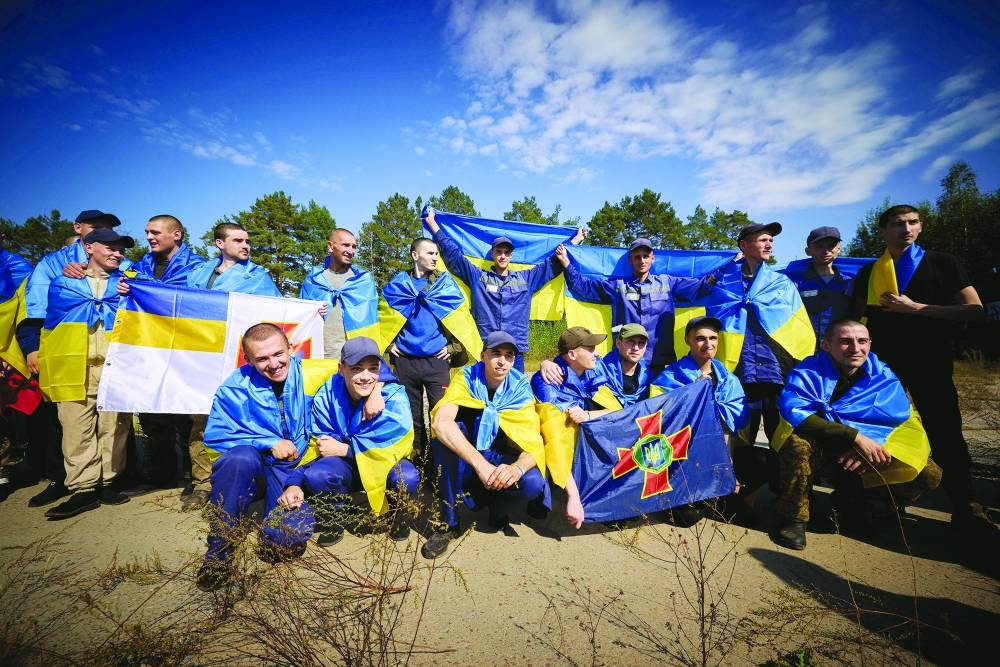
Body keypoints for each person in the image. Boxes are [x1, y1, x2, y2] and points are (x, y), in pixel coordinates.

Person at [850, 204, 993, 537]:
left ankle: (966, 505)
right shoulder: (870, 272)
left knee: (945, 433)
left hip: (930, 362)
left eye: (913, 222)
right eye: (897, 224)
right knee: (882, 432)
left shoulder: (942, 263)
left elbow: (975, 310)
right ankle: (886, 501)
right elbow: (858, 320)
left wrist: (917, 309)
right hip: (883, 368)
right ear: (882, 232)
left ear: (921, 227)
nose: (906, 229)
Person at [769, 320, 942, 550]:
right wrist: (854, 438)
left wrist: (871, 445)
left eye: (862, 341)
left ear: (869, 344)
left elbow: (903, 423)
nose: (855, 348)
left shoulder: (884, 376)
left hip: (868, 451)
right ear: (826, 345)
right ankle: (794, 517)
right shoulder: (807, 372)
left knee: (929, 474)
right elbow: (795, 413)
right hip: (825, 449)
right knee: (796, 444)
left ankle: (862, 508)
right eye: (845, 341)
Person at [195, 324, 319, 592]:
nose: (273, 364)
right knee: (238, 458)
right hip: (256, 467)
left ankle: (274, 524)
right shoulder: (234, 387)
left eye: (278, 354)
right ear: (248, 359)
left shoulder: (313, 372)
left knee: (284, 541)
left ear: (290, 347)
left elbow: (362, 369)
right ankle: (218, 554)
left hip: (293, 469)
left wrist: (378, 388)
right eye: (262, 358)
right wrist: (269, 442)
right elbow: (217, 437)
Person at [17, 210, 127, 507]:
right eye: (110, 247)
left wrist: (131, 288)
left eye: (120, 249)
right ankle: (84, 487)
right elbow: (47, 320)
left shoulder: (128, 282)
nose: (117, 253)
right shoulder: (62, 281)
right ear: (88, 245)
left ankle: (108, 481)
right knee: (76, 427)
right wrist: (33, 349)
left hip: (114, 367)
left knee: (114, 426)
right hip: (74, 364)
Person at [422, 331, 549, 559]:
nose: (502, 361)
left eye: (508, 356)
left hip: (500, 456)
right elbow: (440, 423)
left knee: (533, 482)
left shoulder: (520, 387)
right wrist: (481, 465)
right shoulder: (466, 378)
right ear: (482, 356)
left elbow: (534, 444)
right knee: (443, 442)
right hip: (470, 459)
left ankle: (498, 506)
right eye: (496, 354)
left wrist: (516, 469)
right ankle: (449, 523)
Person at [182, 222, 281, 510]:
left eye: (247, 241)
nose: (246, 245)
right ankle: (202, 483)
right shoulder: (198, 274)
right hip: (203, 359)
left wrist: (313, 310)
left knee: (246, 419)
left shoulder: (258, 276)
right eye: (238, 240)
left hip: (240, 363)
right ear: (219, 243)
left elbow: (281, 311)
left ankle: (245, 480)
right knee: (202, 421)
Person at [294, 337, 421, 547]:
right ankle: (335, 517)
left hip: (384, 465)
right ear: (341, 369)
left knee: (406, 477)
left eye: (373, 368)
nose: (365, 377)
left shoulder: (395, 396)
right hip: (346, 468)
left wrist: (345, 449)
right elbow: (324, 439)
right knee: (317, 474)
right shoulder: (328, 391)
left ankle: (398, 516)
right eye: (356, 369)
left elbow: (394, 446)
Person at [425, 207, 582, 371]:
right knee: (486, 387)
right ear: (492, 254)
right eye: (499, 252)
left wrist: (575, 241)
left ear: (511, 256)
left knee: (516, 387)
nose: (502, 256)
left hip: (515, 349)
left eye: (506, 252)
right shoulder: (478, 277)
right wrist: (434, 225)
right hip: (487, 346)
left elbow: (552, 264)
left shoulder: (526, 279)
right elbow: (454, 256)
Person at [379, 237, 479, 477]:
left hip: (437, 363)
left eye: (436, 253)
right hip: (405, 362)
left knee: (441, 417)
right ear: (415, 255)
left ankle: (441, 470)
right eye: (430, 253)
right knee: (411, 418)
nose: (435, 258)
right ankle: (418, 469)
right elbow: (382, 318)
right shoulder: (398, 286)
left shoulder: (444, 284)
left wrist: (453, 349)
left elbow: (461, 319)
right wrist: (389, 344)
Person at [555, 237, 716, 373]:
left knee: (656, 400)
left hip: (658, 360)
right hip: (625, 361)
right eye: (637, 257)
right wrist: (566, 264)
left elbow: (701, 287)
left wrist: (723, 270)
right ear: (630, 260)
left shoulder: (668, 283)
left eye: (646, 256)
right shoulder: (618, 286)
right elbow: (584, 288)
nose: (642, 260)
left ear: (652, 259)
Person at [126, 214, 204, 491]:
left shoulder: (198, 268)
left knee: (187, 416)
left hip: (185, 350)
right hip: (150, 349)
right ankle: (161, 474)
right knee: (153, 414)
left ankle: (193, 475)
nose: (149, 237)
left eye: (156, 232)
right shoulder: (139, 267)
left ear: (176, 235)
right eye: (147, 232)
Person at [650, 316, 750, 525]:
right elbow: (661, 421)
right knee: (687, 519)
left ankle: (718, 494)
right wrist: (693, 394)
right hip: (684, 457)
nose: (708, 344)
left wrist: (728, 469)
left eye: (713, 338)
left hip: (719, 453)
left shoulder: (729, 380)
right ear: (687, 340)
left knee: (765, 463)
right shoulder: (670, 375)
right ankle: (703, 497)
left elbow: (734, 424)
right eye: (701, 338)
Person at [532, 326, 621, 529]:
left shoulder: (590, 371)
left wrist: (589, 415)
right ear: (572, 354)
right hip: (554, 448)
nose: (597, 353)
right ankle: (554, 494)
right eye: (590, 348)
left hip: (582, 443)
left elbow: (619, 413)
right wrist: (573, 496)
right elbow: (556, 437)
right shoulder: (547, 381)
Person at [299, 227, 379, 362]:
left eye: (354, 247)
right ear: (331, 246)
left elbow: (372, 318)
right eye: (346, 245)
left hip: (354, 358)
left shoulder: (362, 281)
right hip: (319, 355)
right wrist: (313, 312)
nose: (351, 251)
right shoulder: (313, 280)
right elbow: (302, 318)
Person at [783, 226, 852, 346]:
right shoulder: (793, 283)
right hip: (802, 346)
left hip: (839, 348)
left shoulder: (849, 283)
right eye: (819, 246)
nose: (826, 251)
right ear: (808, 251)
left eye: (831, 245)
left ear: (839, 249)